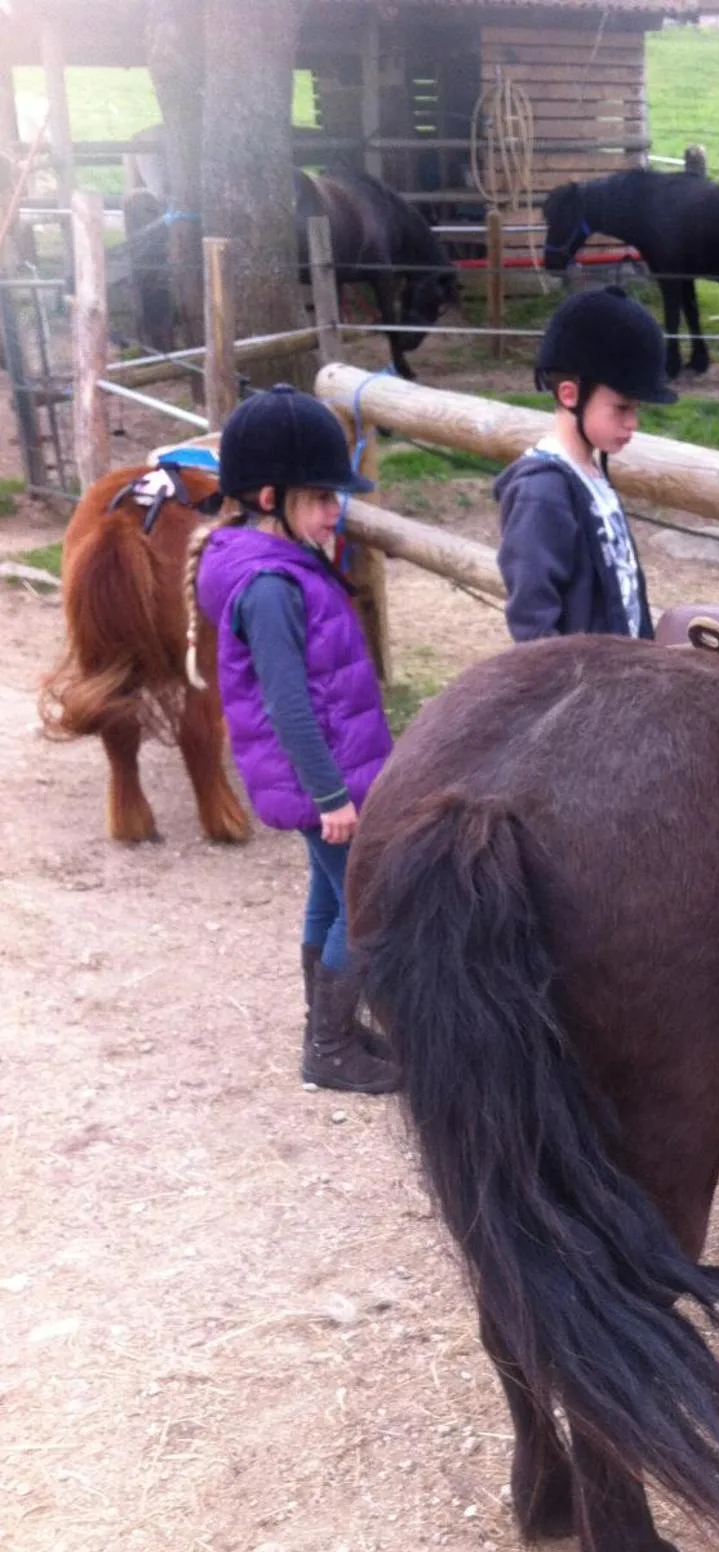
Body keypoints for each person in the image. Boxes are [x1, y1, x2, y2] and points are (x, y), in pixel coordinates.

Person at [190, 385, 397, 1095]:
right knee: (366, 902)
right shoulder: (271, 587)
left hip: (326, 773)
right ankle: (329, 1048)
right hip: (321, 779)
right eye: (321, 498)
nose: (336, 511)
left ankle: (326, 1028)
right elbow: (287, 704)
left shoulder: (289, 564)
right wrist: (331, 794)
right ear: (270, 498)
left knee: (330, 896)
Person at [494, 285, 676, 643]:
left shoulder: (591, 477)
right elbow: (533, 621)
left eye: (636, 409)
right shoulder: (542, 493)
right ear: (570, 394)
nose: (633, 423)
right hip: (579, 676)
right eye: (622, 408)